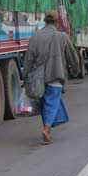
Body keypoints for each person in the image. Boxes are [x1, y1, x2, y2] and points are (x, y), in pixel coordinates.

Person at [24, 10, 77, 144]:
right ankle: (46, 130)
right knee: (52, 103)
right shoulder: (62, 36)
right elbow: (72, 56)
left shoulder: (35, 37)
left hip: (38, 78)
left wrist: (25, 76)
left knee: (45, 104)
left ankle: (47, 131)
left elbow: (28, 60)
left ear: (44, 21)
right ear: (57, 22)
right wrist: (75, 69)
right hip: (55, 75)